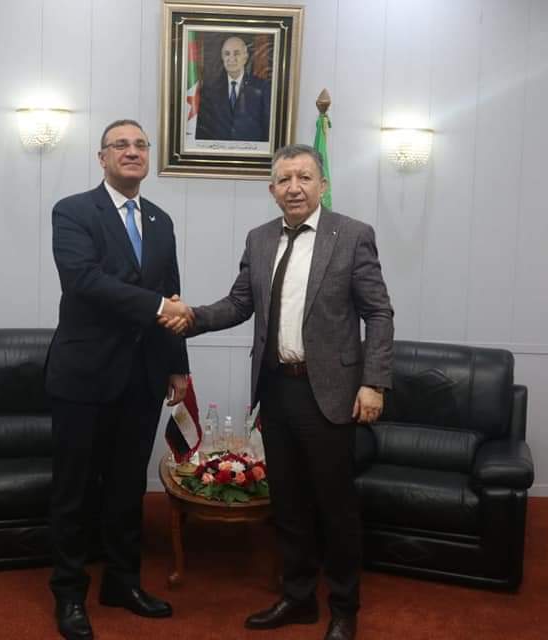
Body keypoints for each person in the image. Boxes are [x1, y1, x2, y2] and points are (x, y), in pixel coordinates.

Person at [162, 144, 394, 640]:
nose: (294, 187)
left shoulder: (353, 236)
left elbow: (378, 313)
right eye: (284, 179)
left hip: (330, 392)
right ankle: (298, 597)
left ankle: (344, 607)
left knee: (334, 506)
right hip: (276, 389)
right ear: (272, 190)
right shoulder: (260, 238)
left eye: (304, 177)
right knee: (287, 502)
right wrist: (193, 317)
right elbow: (239, 303)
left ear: (322, 185)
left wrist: (373, 382)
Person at [45, 119, 194, 640]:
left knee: (128, 487)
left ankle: (122, 582)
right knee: (75, 490)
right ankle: (69, 592)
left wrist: (177, 364)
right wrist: (158, 306)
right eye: (120, 145)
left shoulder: (160, 220)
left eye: (140, 145)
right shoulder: (73, 211)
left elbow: (172, 291)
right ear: (102, 157)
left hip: (143, 376)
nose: (132, 152)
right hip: (84, 376)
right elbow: (83, 281)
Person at [195, 35, 271, 142]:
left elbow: (268, 129)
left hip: (251, 151)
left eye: (236, 53)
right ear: (222, 57)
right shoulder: (210, 90)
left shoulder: (262, 88)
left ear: (245, 57)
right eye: (227, 54)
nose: (231, 58)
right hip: (218, 150)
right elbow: (203, 130)